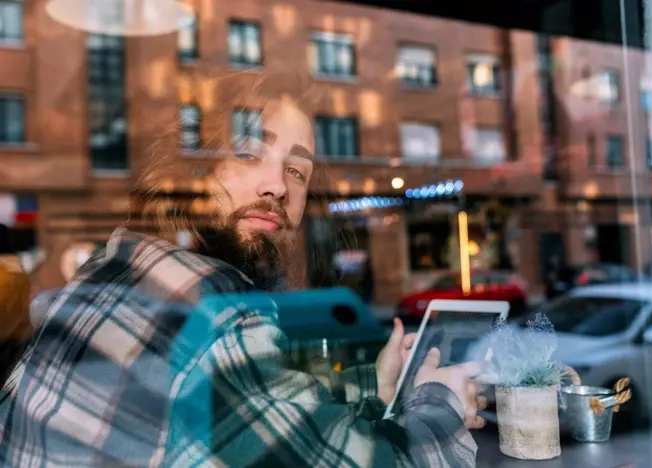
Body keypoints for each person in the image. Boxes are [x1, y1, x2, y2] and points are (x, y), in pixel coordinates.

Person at [0, 72, 483, 467]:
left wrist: (372, 386)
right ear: (193, 167)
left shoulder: (120, 268)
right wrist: (440, 405)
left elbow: (241, 403)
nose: (276, 185)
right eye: (248, 151)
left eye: (297, 171)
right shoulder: (210, 307)